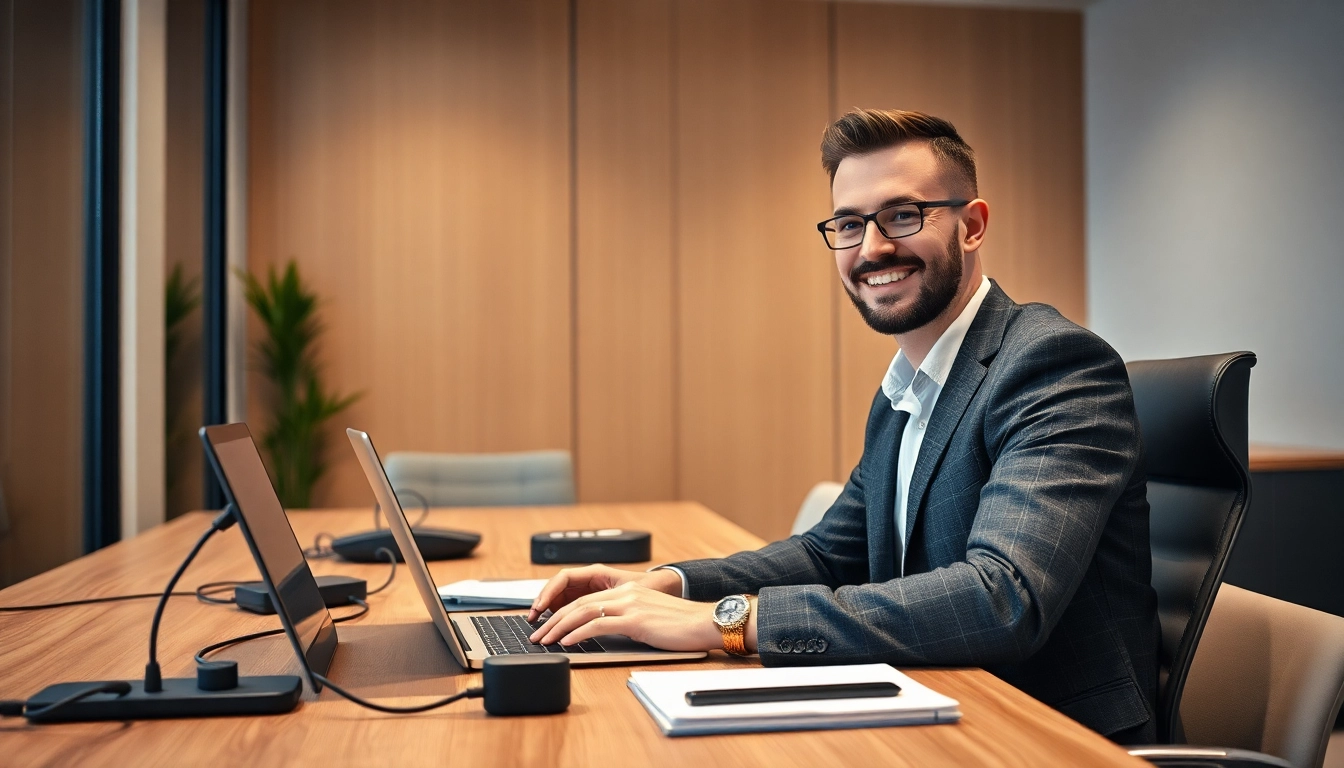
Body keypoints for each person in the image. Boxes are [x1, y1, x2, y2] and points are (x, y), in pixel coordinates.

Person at [528, 109, 1159, 743]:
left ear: (971, 226)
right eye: (850, 224)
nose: (872, 248)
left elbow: (1000, 599)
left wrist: (721, 621)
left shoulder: (1053, 365)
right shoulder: (905, 389)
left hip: (1046, 733)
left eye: (903, 216)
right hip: (939, 704)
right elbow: (828, 554)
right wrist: (667, 584)